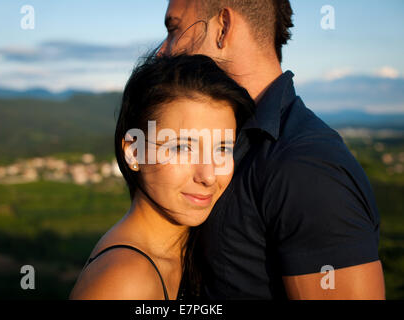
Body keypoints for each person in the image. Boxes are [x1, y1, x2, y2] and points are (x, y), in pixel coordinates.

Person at [158, 0, 385, 299]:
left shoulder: (306, 168)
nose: (163, 50)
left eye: (174, 29)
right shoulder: (221, 144)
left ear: (223, 28)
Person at [69, 54, 254, 299]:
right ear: (135, 152)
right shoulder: (125, 281)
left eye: (223, 149)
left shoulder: (195, 251)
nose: (209, 176)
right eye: (182, 148)